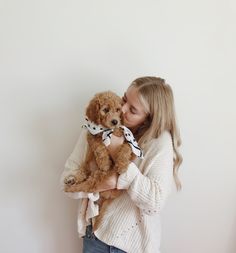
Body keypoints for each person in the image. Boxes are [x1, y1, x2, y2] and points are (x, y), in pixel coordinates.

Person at [60, 76, 183, 253]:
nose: (122, 109)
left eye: (132, 109)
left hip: (132, 246)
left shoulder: (159, 143)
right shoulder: (96, 128)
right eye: (124, 99)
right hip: (95, 237)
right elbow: (67, 180)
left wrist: (119, 160)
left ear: (149, 119)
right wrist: (100, 184)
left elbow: (155, 202)